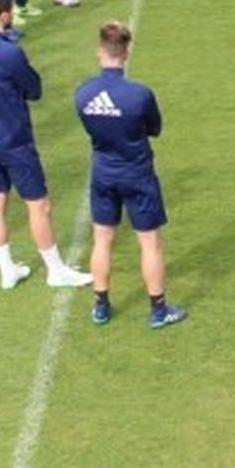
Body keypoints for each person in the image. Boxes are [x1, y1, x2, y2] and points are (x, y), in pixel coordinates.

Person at [0, 0, 93, 292]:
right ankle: (56, 270)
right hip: (13, 139)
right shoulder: (8, 51)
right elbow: (34, 89)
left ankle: (7, 270)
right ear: (5, 14)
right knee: (39, 205)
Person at [74, 21, 186, 328]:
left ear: (100, 52)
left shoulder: (83, 94)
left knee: (102, 240)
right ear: (126, 53)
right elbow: (155, 129)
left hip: (103, 173)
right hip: (137, 174)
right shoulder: (139, 95)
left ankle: (100, 305)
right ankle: (158, 310)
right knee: (149, 242)